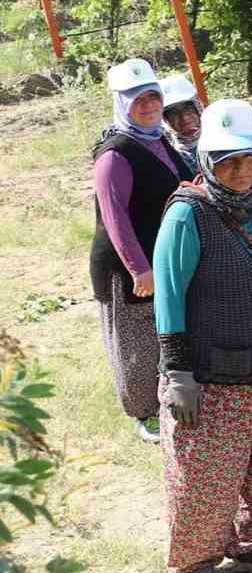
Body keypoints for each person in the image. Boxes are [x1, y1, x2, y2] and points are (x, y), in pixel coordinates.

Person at [153, 99, 252, 573]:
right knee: (207, 473)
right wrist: (177, 372)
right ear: (206, 162)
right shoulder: (187, 215)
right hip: (212, 372)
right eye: (225, 161)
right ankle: (197, 560)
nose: (238, 171)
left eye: (246, 159)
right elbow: (169, 294)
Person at [90, 59, 195, 443]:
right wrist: (139, 269)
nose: (148, 105)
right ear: (122, 103)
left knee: (165, 332)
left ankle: (167, 399)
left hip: (163, 258)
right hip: (128, 268)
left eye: (153, 96)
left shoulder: (155, 138)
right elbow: (114, 218)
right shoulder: (115, 153)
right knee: (136, 344)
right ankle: (144, 412)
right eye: (138, 100)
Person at [159, 75, 202, 172]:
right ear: (165, 120)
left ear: (198, 108)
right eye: (173, 113)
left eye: (188, 109)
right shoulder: (168, 159)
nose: (184, 118)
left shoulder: (225, 141)